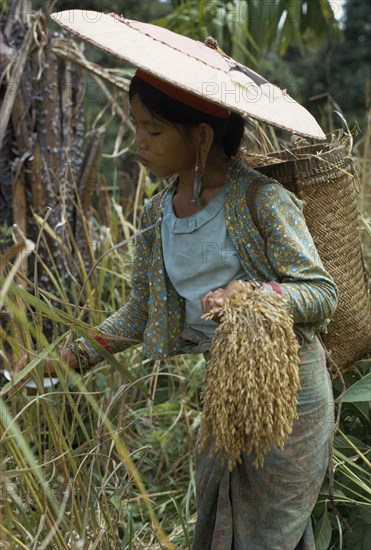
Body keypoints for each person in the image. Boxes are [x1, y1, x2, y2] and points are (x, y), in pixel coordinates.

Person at [16, 70, 337, 549]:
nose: (138, 143)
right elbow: (139, 313)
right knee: (219, 520)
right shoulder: (156, 214)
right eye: (136, 126)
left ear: (202, 136)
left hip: (289, 398)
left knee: (271, 535)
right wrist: (69, 356)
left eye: (154, 130)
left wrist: (248, 294)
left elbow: (319, 291)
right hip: (226, 392)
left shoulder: (261, 200)